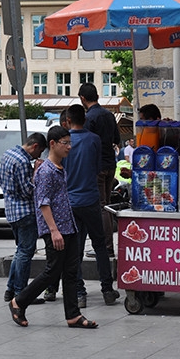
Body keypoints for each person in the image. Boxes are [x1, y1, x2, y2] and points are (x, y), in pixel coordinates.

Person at [8, 125, 97, 329]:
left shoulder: (59, 169)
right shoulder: (46, 172)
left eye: (69, 143)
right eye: (65, 143)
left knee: (71, 272)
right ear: (52, 144)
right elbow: (43, 202)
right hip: (56, 230)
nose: (69, 147)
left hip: (69, 227)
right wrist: (54, 230)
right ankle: (18, 302)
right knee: (52, 272)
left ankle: (73, 315)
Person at [63, 104, 120, 308]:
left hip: (70, 202)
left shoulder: (64, 143)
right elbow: (98, 168)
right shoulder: (94, 140)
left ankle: (79, 293)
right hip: (91, 200)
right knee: (100, 246)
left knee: (74, 250)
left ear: (68, 121)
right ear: (85, 120)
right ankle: (107, 289)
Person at [0, 133, 48, 305]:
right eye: (40, 151)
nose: (39, 156)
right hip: (25, 212)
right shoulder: (22, 162)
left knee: (20, 251)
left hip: (11, 210)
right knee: (25, 253)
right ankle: (21, 293)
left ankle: (11, 289)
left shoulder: (8, 154)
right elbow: (27, 190)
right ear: (34, 146)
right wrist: (36, 171)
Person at [78, 83, 120, 258]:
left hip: (97, 167)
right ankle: (106, 246)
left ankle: (105, 247)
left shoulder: (89, 118)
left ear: (82, 98)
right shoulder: (109, 115)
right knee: (107, 206)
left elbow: (87, 144)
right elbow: (117, 139)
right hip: (111, 165)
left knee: (101, 207)